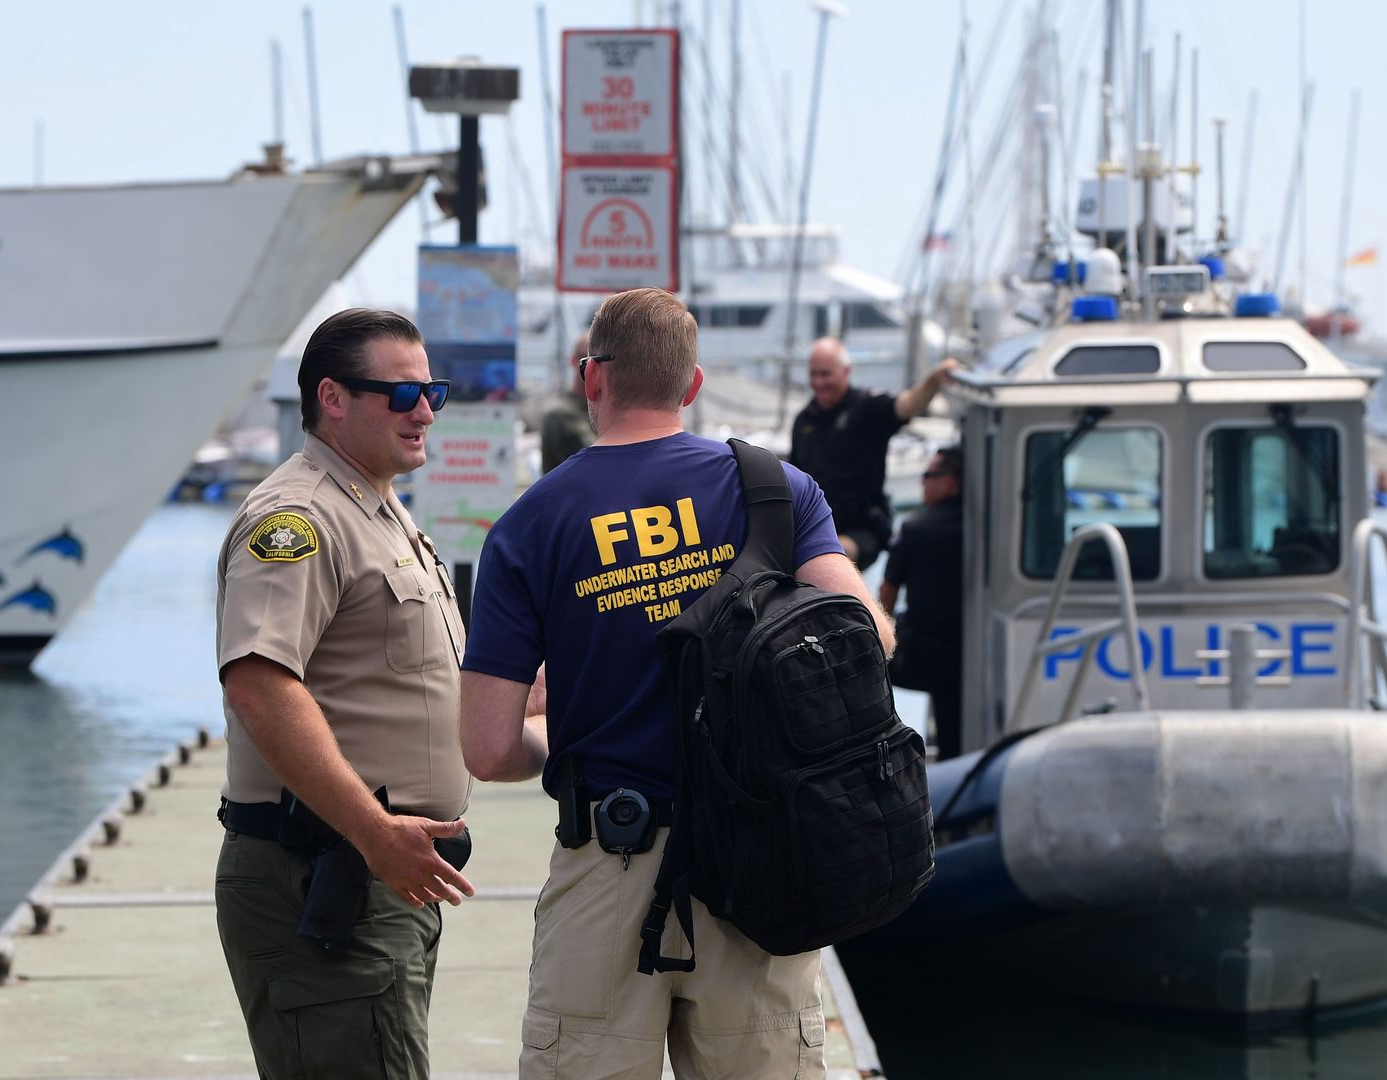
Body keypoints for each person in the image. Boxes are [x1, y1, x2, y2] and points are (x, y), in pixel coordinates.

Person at [460, 287, 894, 1079]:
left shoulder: (529, 525)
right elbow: (867, 638)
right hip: (762, 864)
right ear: (691, 387)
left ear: (592, 379)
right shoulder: (777, 490)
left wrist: (554, 725)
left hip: (608, 866)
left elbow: (486, 751)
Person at [213, 307, 477, 1079]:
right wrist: (371, 829)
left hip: (377, 876)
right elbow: (259, 684)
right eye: (401, 394)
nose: (424, 410)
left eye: (434, 391)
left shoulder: (380, 509)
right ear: (333, 398)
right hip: (326, 873)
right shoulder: (298, 518)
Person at [788, 337, 960, 569]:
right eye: (814, 374)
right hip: (817, 526)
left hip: (863, 528)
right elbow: (794, 479)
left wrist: (934, 379)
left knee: (831, 556)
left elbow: (908, 404)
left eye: (826, 374)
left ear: (846, 371)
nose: (819, 382)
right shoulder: (804, 420)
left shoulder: (868, 407)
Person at [880, 444, 966, 759]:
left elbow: (887, 593)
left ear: (952, 480)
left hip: (927, 654)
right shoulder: (982, 527)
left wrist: (878, 643)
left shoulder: (916, 528)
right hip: (967, 651)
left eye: (929, 475)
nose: (923, 483)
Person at [539, 331, 595, 473]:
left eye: (597, 359)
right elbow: (596, 460)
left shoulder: (602, 409)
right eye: (585, 358)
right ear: (572, 360)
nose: (591, 366)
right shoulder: (559, 414)